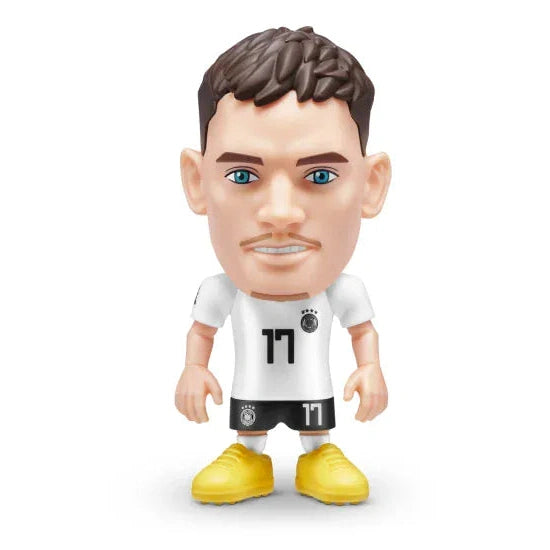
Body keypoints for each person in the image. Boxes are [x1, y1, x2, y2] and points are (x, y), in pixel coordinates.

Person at [176, 26, 391, 505]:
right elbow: (201, 332)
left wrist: (371, 369)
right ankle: (248, 454)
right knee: (250, 425)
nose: (280, 214)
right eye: (242, 175)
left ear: (371, 185)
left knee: (314, 424)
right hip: (251, 389)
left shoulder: (342, 291)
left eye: (320, 175)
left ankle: (319, 452)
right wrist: (193, 370)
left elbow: (363, 332)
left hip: (313, 389)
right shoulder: (221, 291)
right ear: (197, 181)